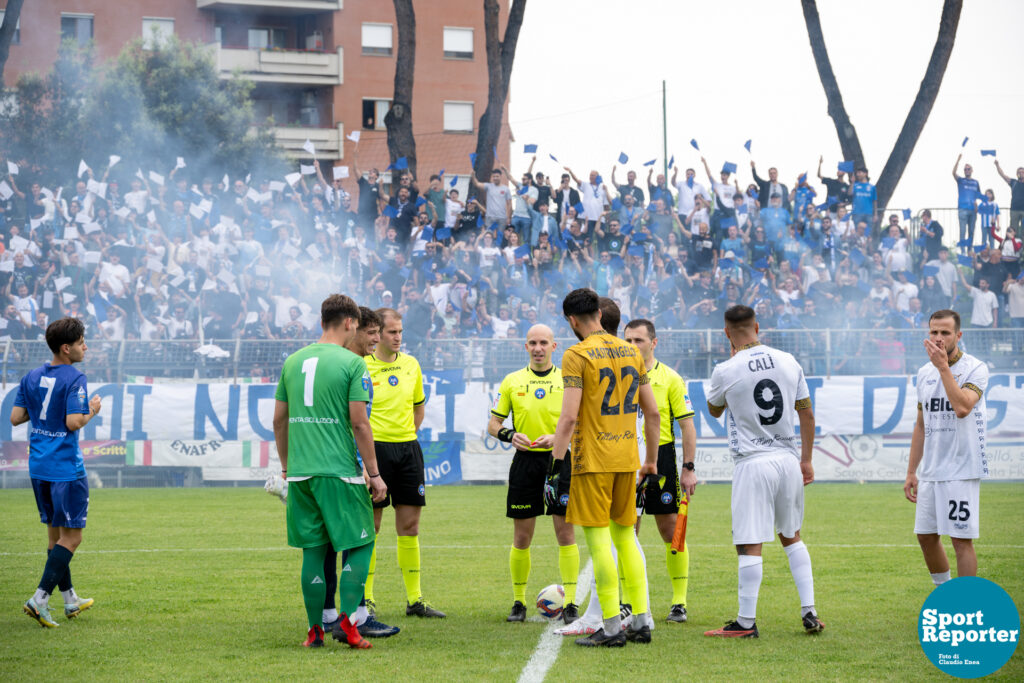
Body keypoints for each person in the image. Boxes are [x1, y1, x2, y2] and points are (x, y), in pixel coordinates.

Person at [272, 294, 387, 649]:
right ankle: (350, 625)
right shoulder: (352, 365)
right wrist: (374, 472)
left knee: (313, 553)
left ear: (323, 320)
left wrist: (288, 467)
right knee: (363, 542)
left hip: (302, 474)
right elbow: (359, 422)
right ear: (350, 323)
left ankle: (314, 631)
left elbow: (279, 419)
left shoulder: (293, 360)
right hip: (339, 472)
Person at [703, 305, 824, 638]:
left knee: (749, 543)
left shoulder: (726, 369)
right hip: (787, 459)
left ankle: (745, 623)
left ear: (727, 332)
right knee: (792, 535)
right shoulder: (788, 361)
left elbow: (714, 411)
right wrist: (807, 459)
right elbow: (807, 415)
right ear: (757, 326)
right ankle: (810, 611)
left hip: (753, 462)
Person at [550, 288, 661, 647]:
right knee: (626, 537)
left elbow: (568, 417)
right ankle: (642, 620)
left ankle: (611, 626)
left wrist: (555, 463)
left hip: (593, 460)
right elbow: (654, 413)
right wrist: (651, 461)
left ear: (571, 320)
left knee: (599, 541)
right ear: (599, 312)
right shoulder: (632, 351)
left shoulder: (576, 354)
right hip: (627, 458)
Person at [488, 324, 580, 624]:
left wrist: (558, 437)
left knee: (565, 533)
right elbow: (493, 423)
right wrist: (509, 434)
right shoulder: (512, 380)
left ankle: (571, 603)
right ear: (525, 347)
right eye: (532, 343)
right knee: (522, 536)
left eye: (543, 343)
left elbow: (582, 421)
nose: (538, 348)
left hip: (560, 463)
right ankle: (518, 601)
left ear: (555, 347)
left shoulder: (569, 380)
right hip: (525, 464)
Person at [14, 317, 102, 628]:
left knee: (55, 538)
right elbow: (73, 423)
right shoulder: (75, 378)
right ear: (66, 348)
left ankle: (69, 599)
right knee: (72, 538)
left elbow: (15, 417)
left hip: (38, 466)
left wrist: (42, 413)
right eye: (81, 343)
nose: (85, 347)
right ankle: (39, 599)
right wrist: (91, 410)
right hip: (65, 468)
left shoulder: (31, 376)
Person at [363, 308, 444, 618]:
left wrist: (406, 435)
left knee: (410, 527)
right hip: (375, 452)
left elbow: (418, 408)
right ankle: (365, 599)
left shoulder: (411, 365)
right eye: (391, 332)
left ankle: (415, 600)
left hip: (408, 451)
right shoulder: (362, 365)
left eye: (400, 332)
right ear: (377, 334)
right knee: (370, 526)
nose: (398, 337)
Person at [904, 309, 988, 586]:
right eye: (934, 332)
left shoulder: (976, 368)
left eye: (945, 333)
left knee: (960, 540)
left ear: (958, 335)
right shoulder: (923, 373)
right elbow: (921, 424)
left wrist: (943, 367)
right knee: (926, 537)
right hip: (931, 471)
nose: (938, 338)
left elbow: (963, 407)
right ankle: (945, 595)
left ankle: (964, 603)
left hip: (962, 468)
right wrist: (911, 471)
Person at [622, 319, 697, 624]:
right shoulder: (617, 374)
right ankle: (628, 602)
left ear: (654, 343)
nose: (631, 346)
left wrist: (688, 468)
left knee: (670, 533)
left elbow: (687, 425)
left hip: (661, 458)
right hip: (626, 457)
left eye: (638, 340)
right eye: (627, 340)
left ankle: (679, 602)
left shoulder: (670, 378)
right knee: (628, 531)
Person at [953, 155, 982, 250]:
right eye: (965, 169)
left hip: (973, 210)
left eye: (968, 169)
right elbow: (953, 173)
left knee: (971, 231)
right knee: (962, 231)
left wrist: (976, 205)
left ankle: (969, 250)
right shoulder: (961, 180)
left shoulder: (976, 182)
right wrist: (958, 160)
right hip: (962, 209)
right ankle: (962, 251)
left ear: (972, 170)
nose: (967, 170)